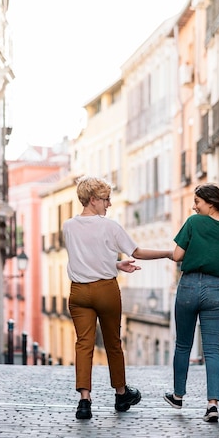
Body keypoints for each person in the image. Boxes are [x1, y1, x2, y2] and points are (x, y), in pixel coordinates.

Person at [63, 175, 173, 420]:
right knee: (113, 343)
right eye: (105, 199)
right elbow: (138, 252)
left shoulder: (68, 226)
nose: (108, 204)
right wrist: (168, 253)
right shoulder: (110, 226)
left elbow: (85, 257)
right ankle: (121, 394)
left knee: (83, 344)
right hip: (105, 290)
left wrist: (115, 263)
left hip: (78, 292)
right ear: (92, 200)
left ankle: (84, 401)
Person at [164, 183, 219, 422]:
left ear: (210, 203)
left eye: (197, 201)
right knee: (212, 349)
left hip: (189, 285)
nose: (193, 206)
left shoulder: (193, 222)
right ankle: (212, 405)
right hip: (215, 290)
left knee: (183, 345)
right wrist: (218, 297)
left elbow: (177, 256)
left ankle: (178, 396)